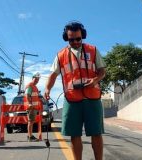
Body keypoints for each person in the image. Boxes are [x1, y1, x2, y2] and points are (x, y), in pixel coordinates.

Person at [44, 21, 106, 160]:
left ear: (82, 36)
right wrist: (47, 88)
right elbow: (53, 75)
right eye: (71, 39)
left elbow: (102, 71)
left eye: (78, 38)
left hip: (92, 98)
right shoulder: (61, 55)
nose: (75, 42)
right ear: (67, 38)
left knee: (96, 133)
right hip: (72, 99)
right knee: (74, 134)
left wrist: (95, 80)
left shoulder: (93, 50)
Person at [24, 72, 42, 142]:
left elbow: (35, 96)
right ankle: (30, 136)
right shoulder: (30, 85)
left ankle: (30, 135)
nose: (37, 81)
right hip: (31, 107)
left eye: (38, 80)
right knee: (30, 121)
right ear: (33, 78)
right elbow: (27, 95)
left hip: (34, 107)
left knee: (31, 121)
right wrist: (30, 104)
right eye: (36, 79)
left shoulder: (35, 87)